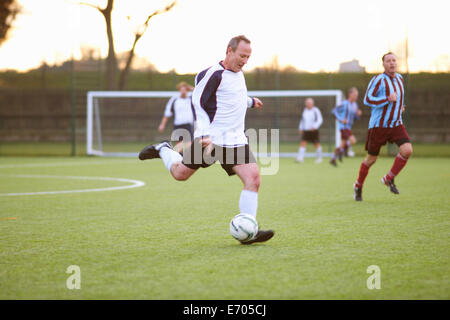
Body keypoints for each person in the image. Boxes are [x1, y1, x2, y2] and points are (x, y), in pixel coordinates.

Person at [138, 35, 274, 244]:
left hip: (236, 140)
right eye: (242, 55)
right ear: (229, 51)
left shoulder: (239, 74)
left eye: (248, 57)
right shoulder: (212, 74)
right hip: (211, 139)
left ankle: (249, 229)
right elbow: (198, 102)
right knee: (180, 174)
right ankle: (164, 149)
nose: (245, 61)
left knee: (253, 179)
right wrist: (203, 132)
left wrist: (249, 101)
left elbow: (231, 98)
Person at [353, 52, 413, 201]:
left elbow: (397, 99)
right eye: (388, 61)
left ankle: (388, 178)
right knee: (371, 159)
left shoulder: (400, 79)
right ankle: (358, 185)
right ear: (383, 64)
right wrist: (387, 99)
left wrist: (400, 107)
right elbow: (367, 99)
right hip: (378, 126)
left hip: (395, 124)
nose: (392, 63)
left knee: (407, 150)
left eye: (394, 60)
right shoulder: (378, 80)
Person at [158, 81, 195, 153]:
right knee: (178, 147)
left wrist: (191, 88)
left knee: (189, 144)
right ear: (179, 90)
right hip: (178, 125)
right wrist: (162, 124)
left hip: (188, 125)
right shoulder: (174, 100)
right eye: (182, 89)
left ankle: (169, 150)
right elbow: (167, 113)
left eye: (185, 89)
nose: (183, 91)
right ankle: (177, 160)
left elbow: (200, 92)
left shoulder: (191, 98)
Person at [330, 87, 362, 166]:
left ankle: (333, 158)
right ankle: (343, 152)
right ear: (350, 95)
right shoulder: (344, 103)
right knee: (353, 141)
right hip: (343, 127)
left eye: (357, 95)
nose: (356, 97)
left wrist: (358, 114)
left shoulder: (355, 105)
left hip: (349, 127)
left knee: (342, 144)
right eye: (354, 95)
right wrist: (341, 119)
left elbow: (356, 117)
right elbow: (333, 111)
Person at [296, 98, 323, 163]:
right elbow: (302, 120)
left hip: (314, 131)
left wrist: (314, 126)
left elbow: (320, 120)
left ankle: (319, 158)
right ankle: (300, 158)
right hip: (306, 130)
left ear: (312, 104)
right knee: (303, 143)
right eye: (307, 103)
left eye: (309, 103)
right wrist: (300, 128)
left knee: (316, 144)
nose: (308, 104)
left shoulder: (316, 110)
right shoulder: (305, 110)